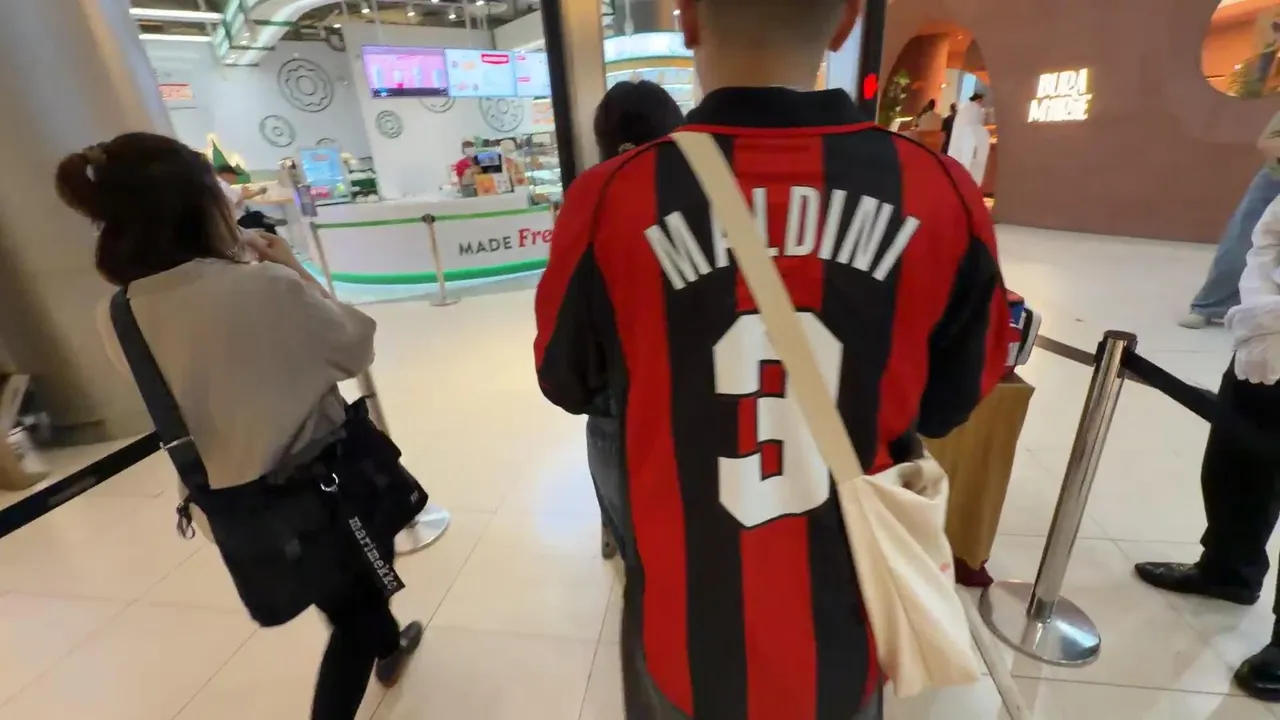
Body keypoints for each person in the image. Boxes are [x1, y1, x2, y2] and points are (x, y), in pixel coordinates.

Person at [533, 0, 1011, 717]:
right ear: (847, 21)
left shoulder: (610, 199)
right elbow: (951, 402)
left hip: (685, 627)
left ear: (688, 18)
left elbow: (566, 380)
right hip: (850, 621)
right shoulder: (940, 191)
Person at [53, 133, 422, 720]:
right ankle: (375, 646)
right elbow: (355, 347)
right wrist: (292, 267)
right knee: (355, 600)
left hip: (232, 502)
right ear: (194, 206)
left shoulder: (117, 313)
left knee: (340, 587)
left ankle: (387, 641)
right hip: (325, 486)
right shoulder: (263, 286)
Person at [1134, 192, 1280, 703]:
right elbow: (1269, 239)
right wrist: (1263, 319)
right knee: (1235, 461)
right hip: (1267, 332)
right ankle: (1229, 569)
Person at [585, 79, 685, 561]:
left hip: (616, 400)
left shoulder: (591, 204)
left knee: (636, 544)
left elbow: (561, 349)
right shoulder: (714, 197)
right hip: (698, 396)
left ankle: (619, 544)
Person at [1181, 110, 1280, 329]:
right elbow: (1267, 142)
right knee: (1241, 243)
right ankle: (1207, 308)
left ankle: (1264, 313)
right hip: (1275, 181)